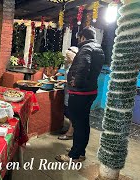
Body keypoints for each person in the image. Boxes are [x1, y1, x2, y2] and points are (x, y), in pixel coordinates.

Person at [56, 27, 105, 162]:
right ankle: (79, 151)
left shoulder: (86, 49)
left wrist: (74, 84)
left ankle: (74, 156)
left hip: (80, 93)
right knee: (83, 123)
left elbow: (83, 68)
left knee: (78, 124)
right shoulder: (98, 48)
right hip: (90, 91)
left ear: (82, 37)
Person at [57, 46, 79, 140]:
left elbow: (75, 80)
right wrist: (60, 74)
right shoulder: (70, 64)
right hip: (67, 90)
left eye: (68, 57)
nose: (66, 59)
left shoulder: (77, 66)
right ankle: (70, 128)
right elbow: (68, 73)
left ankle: (70, 133)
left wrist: (64, 81)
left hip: (73, 91)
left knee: (71, 112)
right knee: (67, 110)